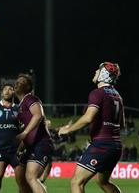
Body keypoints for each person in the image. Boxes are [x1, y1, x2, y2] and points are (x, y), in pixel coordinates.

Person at [58, 62, 124, 193]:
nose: (95, 72)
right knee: (103, 182)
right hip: (116, 146)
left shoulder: (97, 93)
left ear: (104, 74)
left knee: (76, 182)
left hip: (102, 145)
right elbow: (122, 124)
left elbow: (88, 118)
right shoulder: (117, 95)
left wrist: (68, 129)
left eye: (98, 70)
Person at [15, 73, 54, 193]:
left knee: (31, 177)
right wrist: (19, 149)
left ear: (28, 87)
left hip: (41, 143)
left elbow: (38, 115)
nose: (18, 83)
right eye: (17, 81)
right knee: (21, 179)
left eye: (22, 82)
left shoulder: (30, 99)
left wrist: (25, 132)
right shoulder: (20, 106)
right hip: (31, 146)